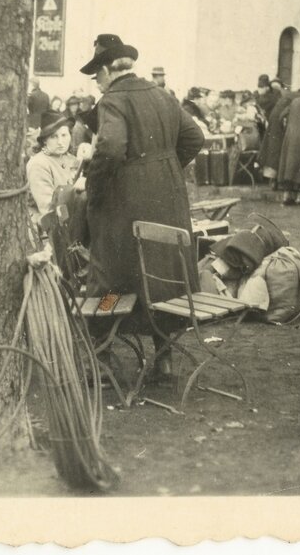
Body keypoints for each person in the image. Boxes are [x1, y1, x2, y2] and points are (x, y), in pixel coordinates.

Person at [80, 34, 205, 377]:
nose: (98, 84)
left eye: (97, 77)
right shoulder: (162, 94)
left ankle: (101, 355)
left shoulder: (113, 101)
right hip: (168, 198)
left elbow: (110, 149)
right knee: (165, 275)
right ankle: (163, 355)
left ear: (107, 70)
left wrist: (96, 188)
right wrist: (163, 169)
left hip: (125, 203)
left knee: (111, 275)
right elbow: (195, 138)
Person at [26, 110, 82, 223]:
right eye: (54, 137)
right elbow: (48, 209)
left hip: (74, 218)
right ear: (45, 140)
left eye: (64, 135)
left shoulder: (71, 159)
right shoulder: (39, 163)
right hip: (55, 225)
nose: (61, 142)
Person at [258, 87, 300, 186]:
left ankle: (273, 180)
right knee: (280, 153)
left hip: (274, 123)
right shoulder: (298, 98)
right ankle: (278, 181)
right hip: (280, 125)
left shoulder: (288, 97)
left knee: (273, 152)